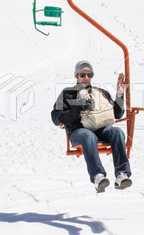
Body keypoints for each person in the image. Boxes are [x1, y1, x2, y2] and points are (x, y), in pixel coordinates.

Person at [51, 60, 132, 193]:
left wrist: (119, 94)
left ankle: (122, 174)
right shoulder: (68, 93)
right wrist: (76, 110)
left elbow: (117, 114)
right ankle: (98, 176)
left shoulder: (101, 92)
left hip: (100, 129)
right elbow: (55, 118)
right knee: (89, 136)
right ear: (76, 76)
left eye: (89, 75)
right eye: (82, 75)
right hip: (79, 132)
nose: (86, 78)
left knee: (117, 132)